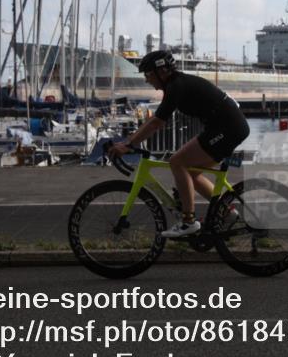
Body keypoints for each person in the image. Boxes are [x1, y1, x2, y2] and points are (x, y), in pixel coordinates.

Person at [107, 50, 250, 237]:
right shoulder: (176, 85)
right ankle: (227, 213)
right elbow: (157, 121)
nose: (147, 80)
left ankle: (188, 221)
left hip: (227, 128)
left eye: (149, 74)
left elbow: (157, 122)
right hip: (224, 126)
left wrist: (128, 144)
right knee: (190, 170)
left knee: (177, 162)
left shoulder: (176, 86)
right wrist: (130, 142)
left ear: (163, 71)